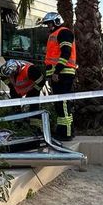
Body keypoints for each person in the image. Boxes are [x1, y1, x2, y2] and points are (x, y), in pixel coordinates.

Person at [41, 11, 76, 141]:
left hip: (64, 74)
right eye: (47, 25)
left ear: (56, 22)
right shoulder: (54, 35)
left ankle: (67, 133)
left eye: (49, 24)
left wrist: (57, 72)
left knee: (64, 104)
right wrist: (50, 76)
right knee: (59, 105)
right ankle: (62, 131)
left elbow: (66, 53)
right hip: (58, 75)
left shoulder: (64, 32)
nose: (48, 27)